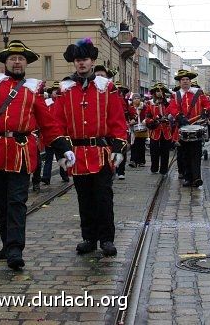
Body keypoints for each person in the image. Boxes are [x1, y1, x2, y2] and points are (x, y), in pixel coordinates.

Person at [0, 40, 70, 270]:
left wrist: (62, 148)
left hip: (21, 150)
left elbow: (47, 123)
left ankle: (15, 249)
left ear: (26, 63)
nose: (17, 62)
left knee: (17, 202)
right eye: (13, 58)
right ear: (6, 62)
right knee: (1, 202)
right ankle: (6, 243)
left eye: (21, 59)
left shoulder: (33, 88)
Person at [53, 38, 127, 258]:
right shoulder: (65, 89)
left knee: (103, 198)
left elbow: (117, 121)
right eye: (77, 60)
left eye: (84, 59)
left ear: (92, 61)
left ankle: (106, 239)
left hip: (101, 153)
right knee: (84, 198)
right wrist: (62, 149)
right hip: (76, 154)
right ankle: (89, 238)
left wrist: (117, 148)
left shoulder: (107, 88)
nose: (81, 63)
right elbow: (57, 122)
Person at [169, 70, 210, 188]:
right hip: (183, 128)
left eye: (187, 80)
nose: (185, 82)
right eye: (183, 80)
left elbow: (208, 104)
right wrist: (179, 116)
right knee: (185, 154)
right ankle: (188, 178)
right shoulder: (176, 95)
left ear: (190, 82)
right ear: (179, 82)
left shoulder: (198, 93)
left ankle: (197, 178)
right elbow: (172, 108)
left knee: (196, 153)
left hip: (197, 127)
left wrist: (205, 111)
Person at [144, 82, 174, 176]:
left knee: (165, 151)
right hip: (155, 131)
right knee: (154, 151)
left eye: (161, 91)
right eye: (157, 91)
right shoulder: (150, 103)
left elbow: (173, 114)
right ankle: (154, 168)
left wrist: (168, 119)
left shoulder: (168, 103)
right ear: (154, 93)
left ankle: (164, 170)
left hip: (166, 131)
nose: (159, 93)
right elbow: (147, 117)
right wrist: (153, 120)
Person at [127, 94, 148, 168]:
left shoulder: (143, 107)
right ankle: (133, 160)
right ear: (132, 100)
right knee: (134, 144)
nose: (136, 100)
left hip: (142, 127)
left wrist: (144, 120)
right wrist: (130, 121)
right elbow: (128, 116)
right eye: (135, 98)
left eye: (138, 98)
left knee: (141, 144)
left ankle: (141, 161)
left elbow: (146, 115)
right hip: (133, 128)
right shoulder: (130, 107)